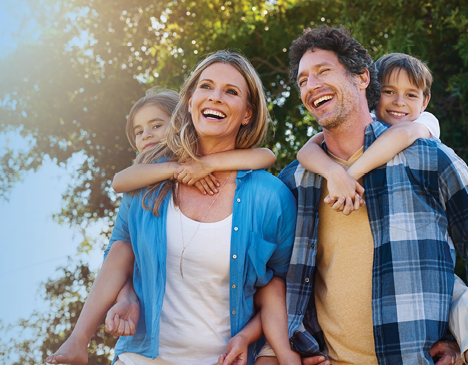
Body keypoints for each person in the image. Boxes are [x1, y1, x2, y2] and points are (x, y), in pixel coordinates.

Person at [265, 26, 468, 365]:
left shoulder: (430, 159)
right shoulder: (295, 181)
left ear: (363, 77)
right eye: (303, 80)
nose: (311, 85)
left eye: (323, 71)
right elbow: (278, 281)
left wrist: (461, 341)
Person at [53, 50, 297, 365]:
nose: (216, 97)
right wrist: (82, 336)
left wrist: (260, 349)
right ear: (190, 99)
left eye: (231, 91)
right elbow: (120, 254)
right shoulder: (146, 186)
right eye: (206, 86)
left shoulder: (271, 198)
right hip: (138, 357)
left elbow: (285, 288)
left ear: (247, 113)